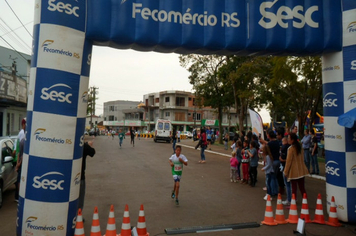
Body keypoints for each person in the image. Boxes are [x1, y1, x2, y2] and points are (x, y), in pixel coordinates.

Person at [284, 133, 309, 201]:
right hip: (302, 170)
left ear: (292, 140)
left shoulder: (291, 149)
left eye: (289, 138)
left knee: (294, 188)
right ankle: (305, 201)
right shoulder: (300, 147)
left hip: (294, 171)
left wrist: (285, 172)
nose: (288, 140)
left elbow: (288, 162)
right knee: (302, 188)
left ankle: (293, 203)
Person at [78, 138, 96, 212]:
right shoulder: (83, 146)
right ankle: (78, 216)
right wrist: (87, 144)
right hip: (79, 176)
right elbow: (92, 152)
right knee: (80, 198)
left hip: (66, 176)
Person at [14, 118, 26, 202]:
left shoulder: (21, 134)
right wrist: (18, 164)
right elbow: (20, 152)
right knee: (20, 179)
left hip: (20, 159)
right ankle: (18, 196)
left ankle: (18, 196)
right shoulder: (22, 134)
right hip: (21, 160)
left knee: (19, 179)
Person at [280, 137, 292, 206]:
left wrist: (281, 159)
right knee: (291, 184)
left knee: (287, 184)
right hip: (289, 167)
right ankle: (292, 198)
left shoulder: (285, 148)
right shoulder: (291, 147)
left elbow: (283, 158)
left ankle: (289, 199)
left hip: (285, 167)